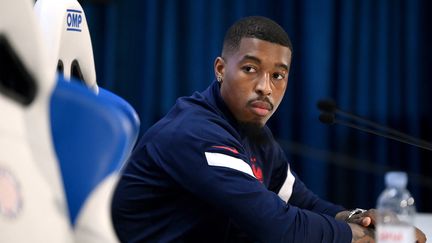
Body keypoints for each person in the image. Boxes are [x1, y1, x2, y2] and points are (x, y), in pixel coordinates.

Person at [111, 16, 426, 242]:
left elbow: (300, 202)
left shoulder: (252, 130)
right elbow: (275, 226)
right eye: (250, 69)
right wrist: (356, 235)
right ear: (221, 69)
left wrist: (357, 217)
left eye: (278, 75)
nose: (265, 87)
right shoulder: (196, 133)